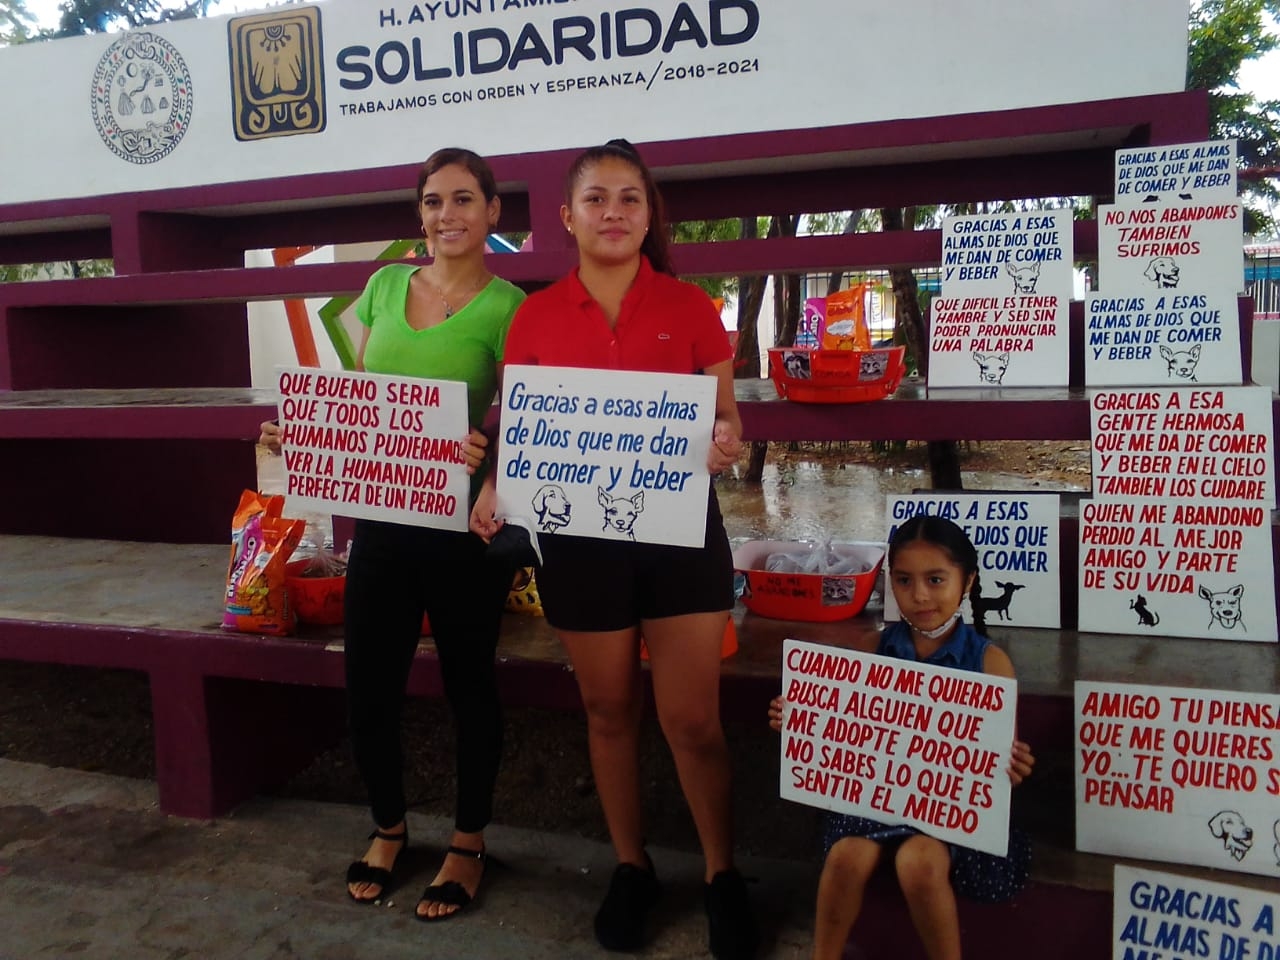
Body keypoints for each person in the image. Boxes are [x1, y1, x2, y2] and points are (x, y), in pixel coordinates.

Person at [470, 139, 758, 959]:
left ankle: (721, 875)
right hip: (578, 541)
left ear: (648, 214)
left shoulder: (691, 306)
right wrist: (495, 488)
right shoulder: (534, 315)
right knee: (606, 710)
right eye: (596, 198)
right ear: (567, 216)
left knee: (693, 719)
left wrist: (725, 443)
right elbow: (516, 432)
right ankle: (631, 869)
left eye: (629, 198)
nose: (613, 213)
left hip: (679, 536)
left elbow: (727, 420)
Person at [260, 147, 524, 921]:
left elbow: (525, 417)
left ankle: (469, 843)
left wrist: (491, 462)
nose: (448, 215)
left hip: (463, 534)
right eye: (435, 201)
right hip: (381, 521)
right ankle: (388, 829)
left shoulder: (511, 307)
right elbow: (363, 403)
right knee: (367, 684)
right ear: (420, 213)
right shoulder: (380, 287)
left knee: (469, 686)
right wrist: (302, 433)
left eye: (465, 200)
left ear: (493, 212)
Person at [768, 514, 1036, 960]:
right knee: (844, 858)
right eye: (904, 580)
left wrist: (1014, 766)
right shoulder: (874, 649)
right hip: (876, 802)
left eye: (936, 579)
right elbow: (842, 723)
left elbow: (995, 763)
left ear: (966, 582)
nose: (920, 595)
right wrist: (797, 717)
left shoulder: (990, 663)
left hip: (950, 813)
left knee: (921, 862)